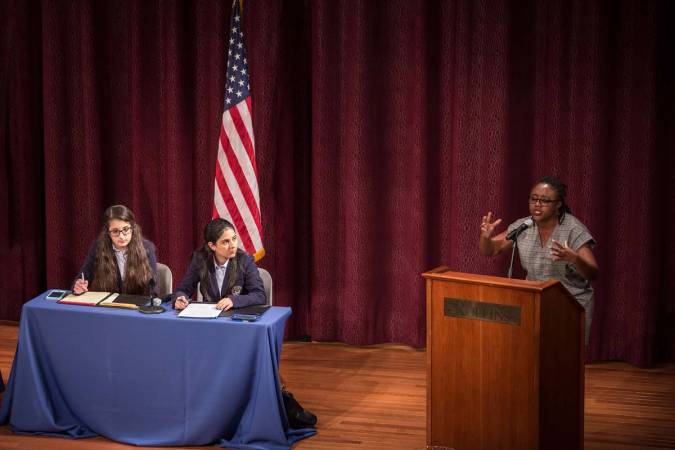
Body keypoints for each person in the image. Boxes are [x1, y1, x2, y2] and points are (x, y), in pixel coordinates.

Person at [479, 176, 599, 344]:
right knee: (532, 357)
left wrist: (574, 258)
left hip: (571, 305)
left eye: (544, 200)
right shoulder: (523, 227)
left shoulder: (572, 229)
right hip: (535, 302)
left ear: (558, 205)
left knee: (565, 361)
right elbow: (490, 250)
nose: (537, 204)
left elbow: (593, 273)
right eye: (534, 199)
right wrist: (485, 237)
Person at [173, 218, 265, 310]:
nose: (232, 245)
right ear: (212, 246)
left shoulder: (245, 260)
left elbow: (259, 295)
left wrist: (234, 300)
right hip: (209, 318)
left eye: (234, 238)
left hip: (236, 316)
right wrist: (180, 298)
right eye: (226, 242)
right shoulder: (200, 259)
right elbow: (183, 290)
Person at [73, 204, 157, 295]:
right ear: (108, 233)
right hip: (107, 306)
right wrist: (78, 286)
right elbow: (83, 277)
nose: (121, 236)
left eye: (126, 229)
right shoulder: (97, 247)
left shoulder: (147, 248)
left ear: (133, 228)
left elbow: (154, 289)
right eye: (115, 231)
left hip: (136, 306)